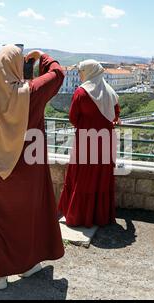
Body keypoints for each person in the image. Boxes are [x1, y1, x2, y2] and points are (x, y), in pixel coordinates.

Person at [0, 45, 65, 290]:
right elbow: (58, 74)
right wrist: (41, 57)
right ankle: (26, 265)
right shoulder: (30, 93)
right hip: (25, 170)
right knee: (26, 220)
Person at [58, 59, 120, 229]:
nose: (79, 75)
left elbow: (73, 118)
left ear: (88, 72)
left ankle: (78, 215)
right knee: (100, 177)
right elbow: (115, 115)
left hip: (86, 142)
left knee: (82, 177)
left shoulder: (81, 93)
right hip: (105, 143)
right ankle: (98, 216)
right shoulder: (111, 92)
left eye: (81, 71)